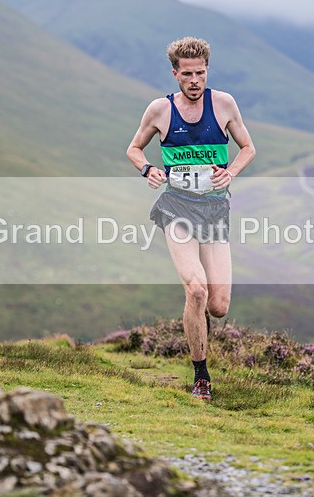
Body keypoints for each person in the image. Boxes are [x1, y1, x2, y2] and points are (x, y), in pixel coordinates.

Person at [126, 37, 256, 401]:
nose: (195, 80)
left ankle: (198, 327)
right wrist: (148, 169)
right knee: (196, 290)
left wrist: (230, 172)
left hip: (215, 210)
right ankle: (201, 375)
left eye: (200, 72)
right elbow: (134, 148)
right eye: (187, 74)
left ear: (207, 71)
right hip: (177, 208)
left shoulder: (224, 104)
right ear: (175, 74)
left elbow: (248, 147)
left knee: (218, 305)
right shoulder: (160, 111)